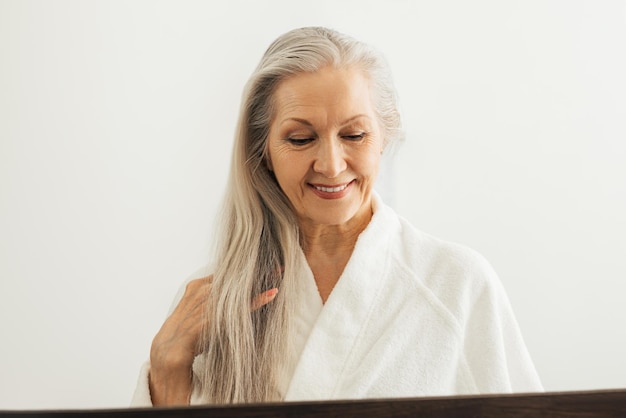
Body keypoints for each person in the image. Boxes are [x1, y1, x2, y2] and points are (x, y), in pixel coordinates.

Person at [131, 26, 542, 407]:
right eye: (301, 138)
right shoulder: (214, 300)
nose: (330, 164)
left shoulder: (457, 285)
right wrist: (167, 367)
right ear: (264, 152)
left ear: (385, 137)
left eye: (354, 135)